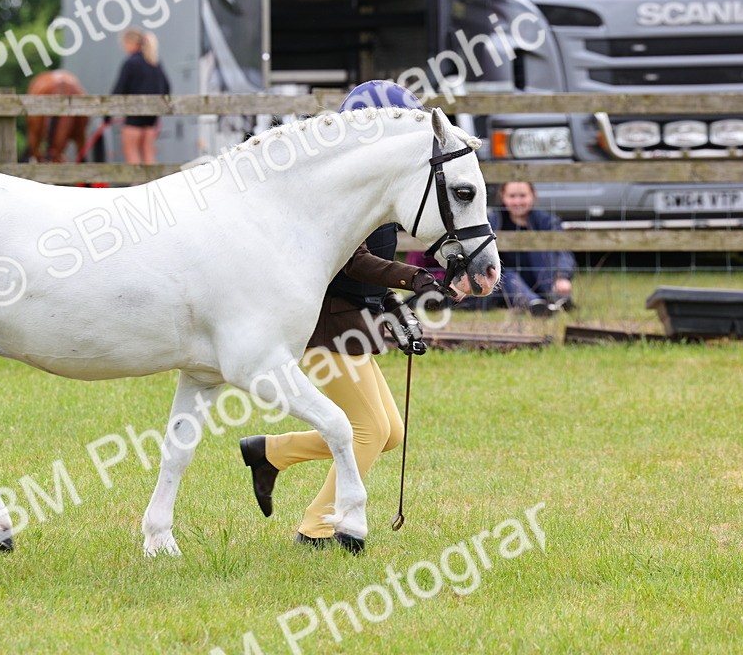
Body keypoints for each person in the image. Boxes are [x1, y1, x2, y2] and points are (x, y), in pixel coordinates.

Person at [238, 80, 448, 550]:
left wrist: (398, 311)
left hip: (355, 320)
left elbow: (372, 268)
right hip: (326, 322)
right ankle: (317, 528)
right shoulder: (337, 187)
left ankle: (270, 452)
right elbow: (353, 262)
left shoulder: (377, 185)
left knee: (389, 432)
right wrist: (412, 279)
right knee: (368, 430)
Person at [473, 181, 576, 316]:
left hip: (543, 277)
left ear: (533, 195)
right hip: (507, 285)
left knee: (541, 253)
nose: (517, 202)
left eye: (522, 196)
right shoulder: (492, 222)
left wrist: (562, 277)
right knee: (506, 275)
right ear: (503, 196)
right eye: (512, 196)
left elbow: (564, 251)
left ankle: (556, 298)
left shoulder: (547, 221)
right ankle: (535, 304)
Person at [110, 28, 170, 165]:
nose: (124, 47)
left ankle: (137, 184)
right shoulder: (154, 62)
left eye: (124, 43)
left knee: (130, 150)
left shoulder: (130, 63)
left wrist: (107, 113)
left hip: (134, 115)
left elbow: (119, 89)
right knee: (148, 151)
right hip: (152, 118)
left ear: (131, 43)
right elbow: (166, 87)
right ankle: (153, 185)